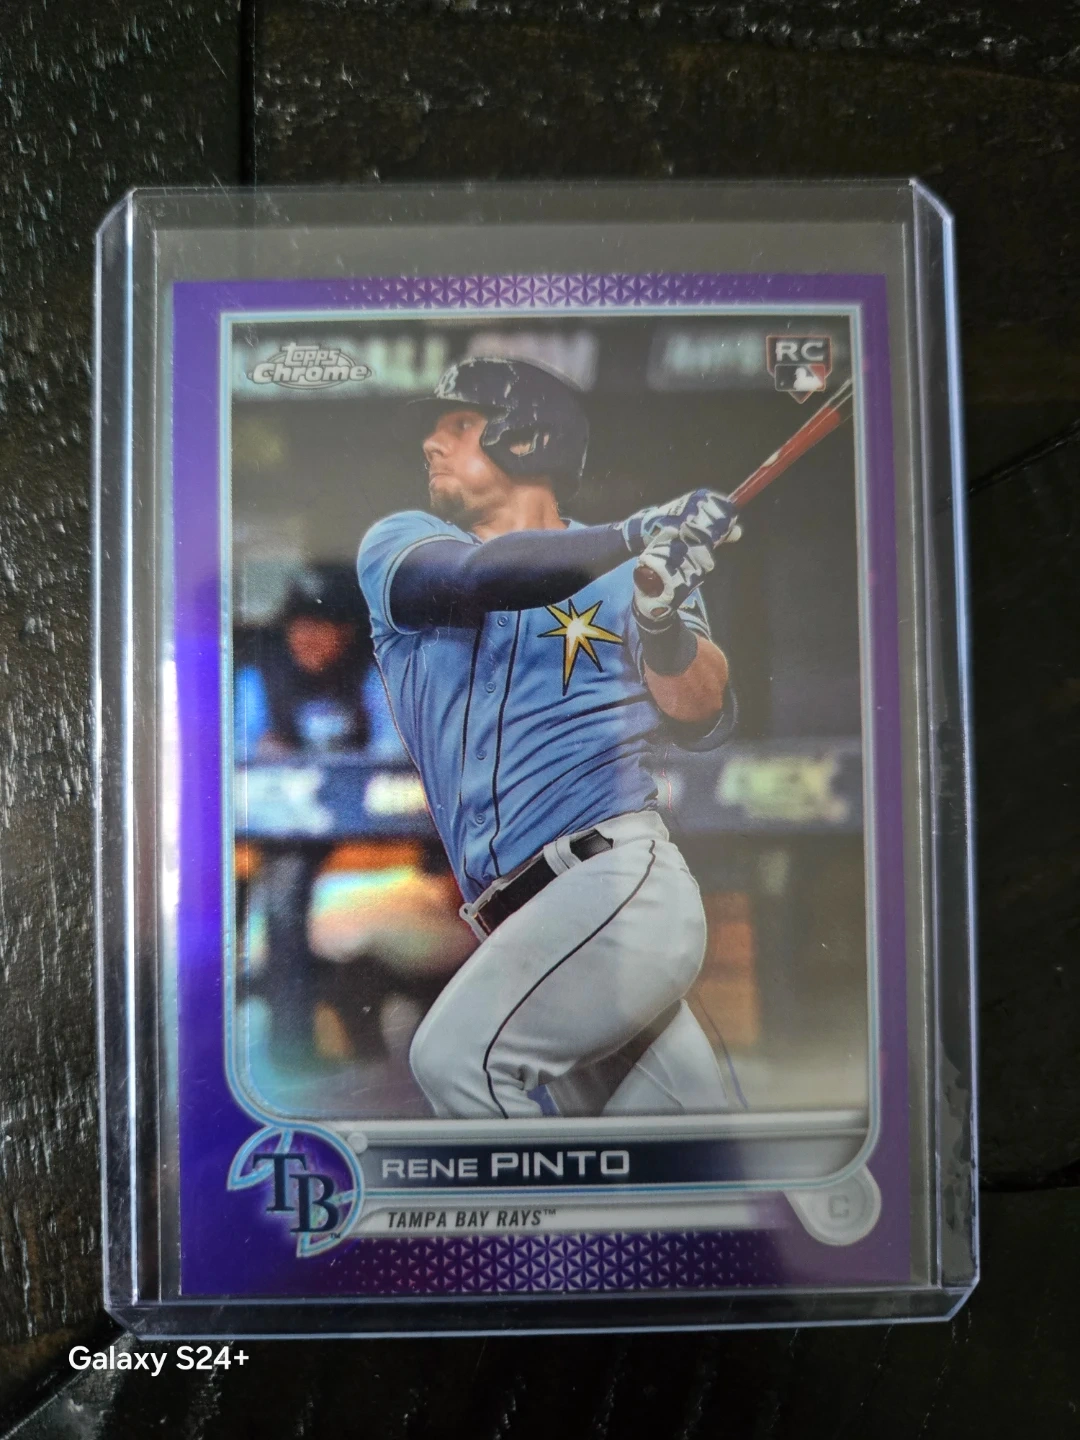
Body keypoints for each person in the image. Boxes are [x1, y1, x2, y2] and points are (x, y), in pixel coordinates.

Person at [357, 357, 741, 1118]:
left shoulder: (631, 574)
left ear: (527, 438)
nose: (431, 444)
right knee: (695, 1156)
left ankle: (533, 1211)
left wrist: (660, 619)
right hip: (530, 927)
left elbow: (701, 715)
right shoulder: (402, 542)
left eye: (458, 425)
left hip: (614, 884)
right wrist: (632, 533)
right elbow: (474, 579)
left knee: (457, 1062)